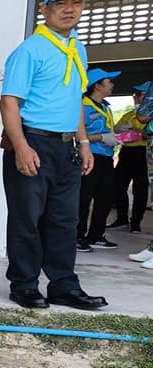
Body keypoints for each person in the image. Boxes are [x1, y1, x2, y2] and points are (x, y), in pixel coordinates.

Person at [0, 0, 106, 311]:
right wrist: (21, 146)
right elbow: (8, 102)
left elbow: (75, 100)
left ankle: (64, 286)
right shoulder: (29, 50)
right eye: (60, 3)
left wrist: (83, 142)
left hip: (66, 147)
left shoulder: (78, 48)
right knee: (27, 219)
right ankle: (24, 285)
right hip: (34, 141)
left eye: (76, 2)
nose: (69, 9)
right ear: (44, 10)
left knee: (65, 220)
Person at [76, 68, 120, 251]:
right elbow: (76, 135)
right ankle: (77, 236)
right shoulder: (83, 106)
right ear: (97, 85)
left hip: (106, 157)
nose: (113, 85)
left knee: (105, 197)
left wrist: (118, 135)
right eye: (109, 81)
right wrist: (101, 137)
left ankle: (96, 235)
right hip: (89, 156)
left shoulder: (106, 108)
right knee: (83, 197)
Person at [110, 82, 150, 233]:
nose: (137, 98)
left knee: (140, 189)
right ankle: (121, 219)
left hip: (144, 153)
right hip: (126, 152)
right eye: (136, 95)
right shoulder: (129, 115)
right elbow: (116, 130)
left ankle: (135, 223)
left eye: (141, 95)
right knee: (118, 185)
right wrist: (125, 131)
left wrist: (136, 133)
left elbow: (147, 134)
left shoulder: (148, 115)